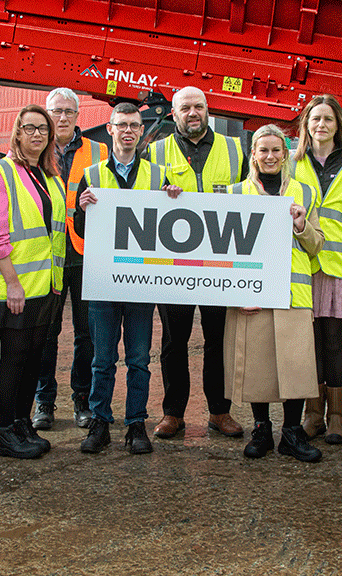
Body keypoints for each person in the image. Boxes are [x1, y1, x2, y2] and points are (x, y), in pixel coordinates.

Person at [75, 102, 181, 454]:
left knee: (139, 359)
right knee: (102, 360)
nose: (128, 131)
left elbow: (169, 225)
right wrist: (82, 209)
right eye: (121, 125)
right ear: (110, 129)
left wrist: (173, 199)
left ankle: (136, 424)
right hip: (104, 282)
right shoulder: (91, 175)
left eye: (134, 125)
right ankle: (100, 422)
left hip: (140, 283)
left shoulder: (157, 175)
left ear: (140, 131)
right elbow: (81, 230)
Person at [147, 86, 248, 440]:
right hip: (174, 264)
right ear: (173, 114)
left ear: (208, 110)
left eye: (199, 106)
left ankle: (220, 411)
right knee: (174, 341)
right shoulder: (155, 152)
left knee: (218, 341)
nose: (193, 113)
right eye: (185, 107)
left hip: (221, 262)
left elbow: (252, 196)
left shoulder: (235, 149)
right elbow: (143, 199)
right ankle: (173, 414)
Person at [224, 125, 324, 462]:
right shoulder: (236, 193)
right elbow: (223, 250)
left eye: (276, 150)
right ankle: (262, 429)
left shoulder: (305, 192)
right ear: (253, 154)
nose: (270, 156)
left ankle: (291, 433)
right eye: (263, 150)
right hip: (252, 294)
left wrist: (301, 225)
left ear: (285, 154)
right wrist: (235, 293)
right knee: (257, 365)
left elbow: (317, 245)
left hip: (294, 293)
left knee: (295, 366)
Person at [0, 105, 66, 460]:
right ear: (17, 132)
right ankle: (5, 434)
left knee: (33, 358)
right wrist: (12, 283)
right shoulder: (0, 172)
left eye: (43, 129)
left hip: (44, 285)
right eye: (29, 128)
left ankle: (22, 424)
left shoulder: (50, 176)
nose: (37, 135)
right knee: (14, 358)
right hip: (14, 286)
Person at [291, 94, 342, 446]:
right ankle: (313, 416)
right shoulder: (293, 163)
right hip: (303, 266)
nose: (321, 125)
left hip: (338, 266)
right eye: (315, 119)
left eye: (328, 118)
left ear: (339, 124)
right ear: (306, 126)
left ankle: (336, 418)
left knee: (333, 344)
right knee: (309, 346)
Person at [31, 88, 108, 431]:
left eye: (68, 111)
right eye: (56, 111)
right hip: (45, 254)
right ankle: (44, 401)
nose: (62, 117)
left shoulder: (99, 151)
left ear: (78, 116)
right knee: (46, 332)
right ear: (47, 114)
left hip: (84, 253)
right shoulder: (32, 149)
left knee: (86, 334)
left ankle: (82, 399)